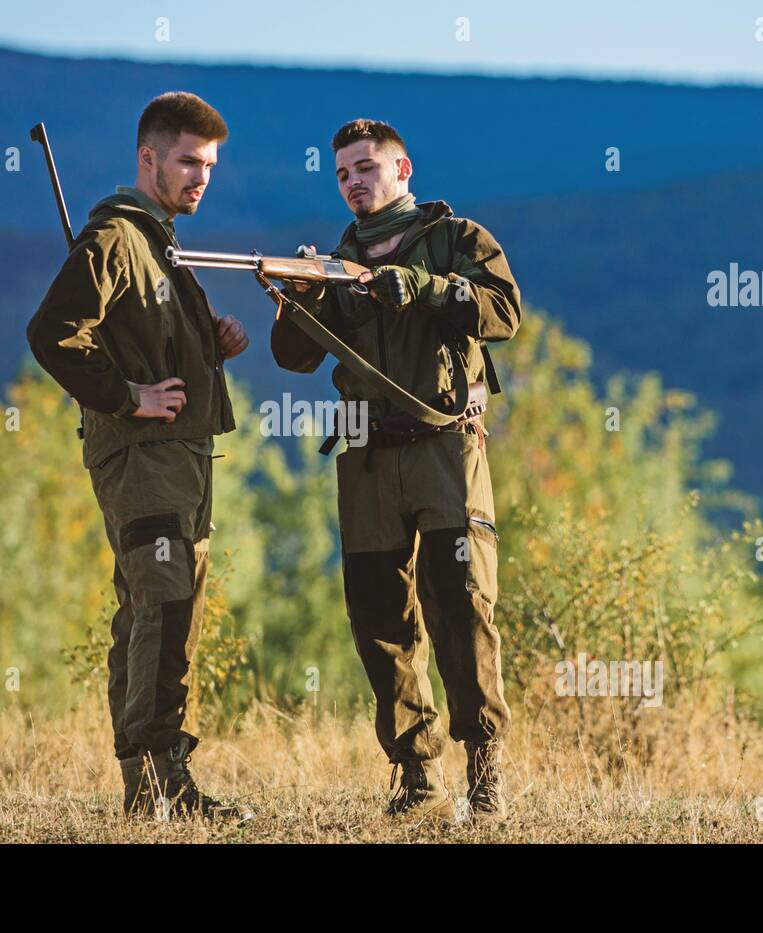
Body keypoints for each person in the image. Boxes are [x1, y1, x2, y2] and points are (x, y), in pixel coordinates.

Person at [271, 118, 521, 821]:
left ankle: (484, 766)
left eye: (366, 167)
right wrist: (300, 297)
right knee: (380, 617)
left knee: (462, 604)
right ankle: (417, 774)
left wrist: (426, 287)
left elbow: (505, 312)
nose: (354, 181)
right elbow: (292, 355)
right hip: (365, 451)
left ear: (403, 169)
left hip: (446, 444)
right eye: (343, 173)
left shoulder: (456, 239)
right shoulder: (335, 262)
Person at [27, 92, 252, 823]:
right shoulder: (118, 238)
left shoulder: (158, 241)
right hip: (144, 456)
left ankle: (148, 782)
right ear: (147, 158)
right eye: (188, 160)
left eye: (209, 165)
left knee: (155, 610)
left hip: (179, 459)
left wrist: (204, 344)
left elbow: (137, 333)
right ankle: (162, 784)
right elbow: (54, 331)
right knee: (164, 606)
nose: (200, 177)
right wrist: (128, 396)